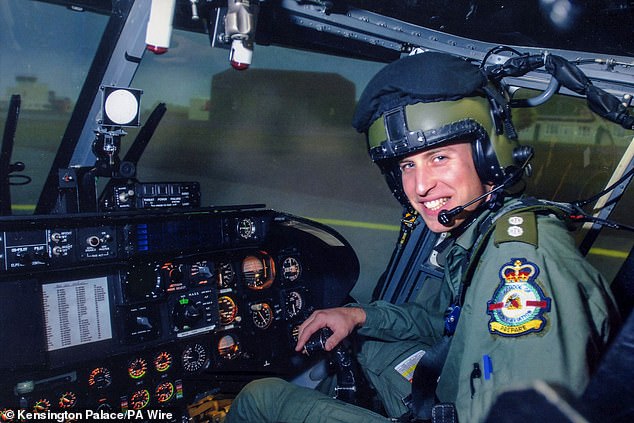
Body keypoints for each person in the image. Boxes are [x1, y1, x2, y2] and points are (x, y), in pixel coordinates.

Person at [224, 52, 620, 422]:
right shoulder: (480, 236)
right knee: (369, 344)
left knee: (260, 397)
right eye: (407, 165)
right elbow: (444, 325)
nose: (420, 186)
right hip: (449, 398)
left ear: (488, 154)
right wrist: (360, 315)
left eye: (439, 157)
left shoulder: (520, 261)